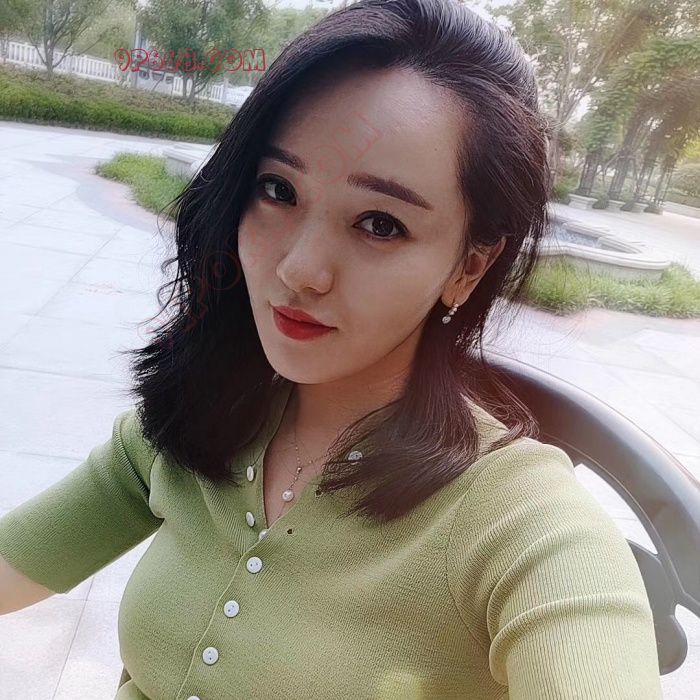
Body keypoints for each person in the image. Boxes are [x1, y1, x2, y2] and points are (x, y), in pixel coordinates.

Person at [0, 0, 663, 698]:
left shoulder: (519, 527)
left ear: (469, 266)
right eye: (277, 190)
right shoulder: (196, 419)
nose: (300, 270)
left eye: (380, 224)